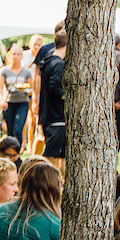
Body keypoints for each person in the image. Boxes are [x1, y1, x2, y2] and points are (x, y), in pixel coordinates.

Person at [39, 31, 67, 171]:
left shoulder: (47, 60)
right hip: (56, 116)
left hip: (48, 114)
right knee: (51, 156)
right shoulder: (58, 64)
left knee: (62, 155)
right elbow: (56, 89)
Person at [0, 45, 31, 151]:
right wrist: (2, 100)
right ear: (9, 55)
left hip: (22, 101)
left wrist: (24, 89)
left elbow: (31, 88)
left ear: (21, 56)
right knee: (10, 130)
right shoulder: (4, 71)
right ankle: (9, 151)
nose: (15, 56)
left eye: (18, 54)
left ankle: (17, 151)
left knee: (18, 128)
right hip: (9, 102)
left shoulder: (26, 72)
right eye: (13, 54)